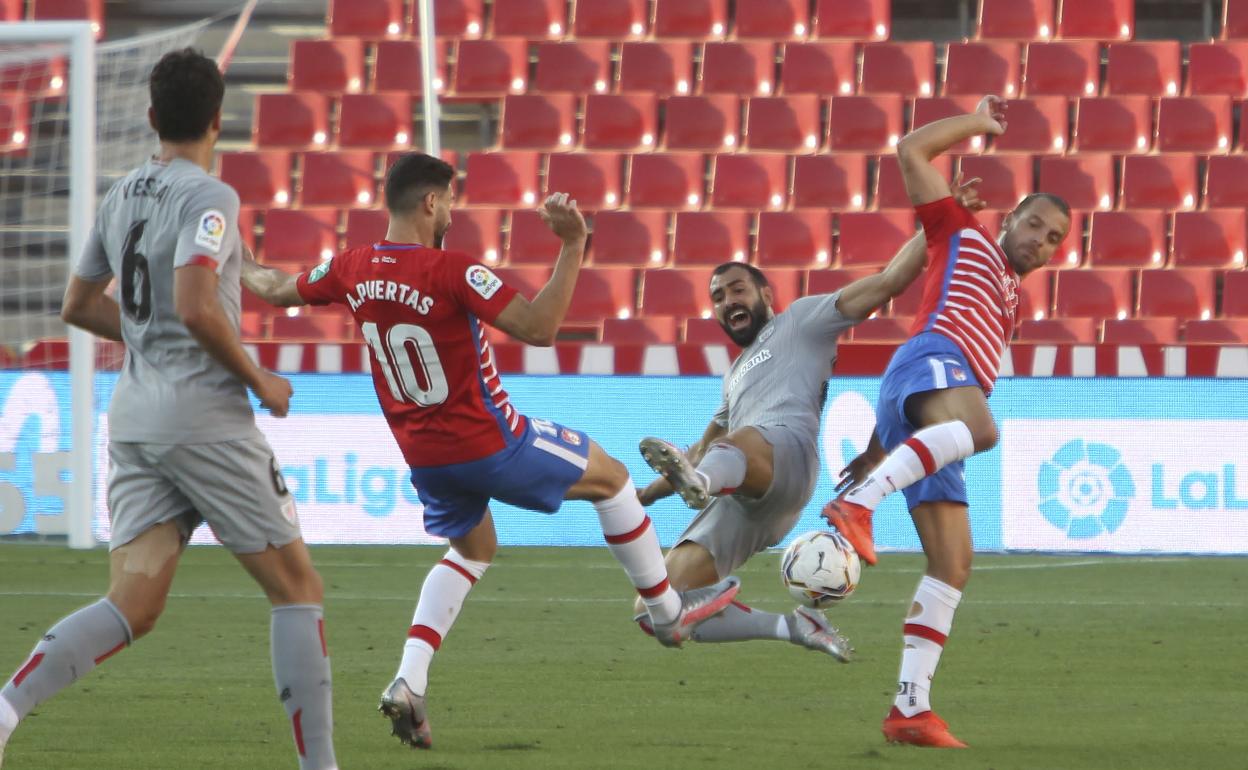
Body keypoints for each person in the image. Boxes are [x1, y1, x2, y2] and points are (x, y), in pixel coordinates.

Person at [238, 152, 741, 751]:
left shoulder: (351, 268)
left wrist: (231, 257)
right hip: (493, 442)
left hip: (423, 456)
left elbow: (271, 288)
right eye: (448, 200)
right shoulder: (454, 271)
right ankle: (665, 614)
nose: (451, 210)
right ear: (430, 202)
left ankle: (409, 680)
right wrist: (574, 245)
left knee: (474, 548)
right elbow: (540, 327)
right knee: (611, 479)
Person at [0, 50, 337, 770]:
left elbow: (77, 305)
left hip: (135, 420)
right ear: (220, 119)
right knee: (297, 587)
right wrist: (259, 379)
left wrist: (147, 335)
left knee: (133, 605)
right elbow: (193, 305)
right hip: (203, 420)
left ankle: (3, 711)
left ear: (153, 117)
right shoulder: (211, 197)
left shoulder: (120, 193)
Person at [632, 176, 987, 661]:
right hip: (738, 490)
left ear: (765, 294)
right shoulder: (733, 376)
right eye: (718, 297)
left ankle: (705, 482)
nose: (728, 301)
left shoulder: (802, 319)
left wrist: (937, 227)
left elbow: (887, 283)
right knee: (658, 611)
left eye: (738, 289)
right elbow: (698, 450)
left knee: (734, 447)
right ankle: (795, 628)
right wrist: (642, 495)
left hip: (785, 454)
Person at [821, 95, 1072, 748]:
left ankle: (910, 706)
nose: (1040, 243)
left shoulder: (1009, 297)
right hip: (933, 361)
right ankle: (857, 507)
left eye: (1053, 240)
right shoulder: (961, 233)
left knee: (954, 562)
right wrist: (979, 125)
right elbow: (910, 150)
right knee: (985, 428)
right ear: (1008, 218)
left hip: (933, 410)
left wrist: (881, 446)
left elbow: (922, 417)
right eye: (1034, 226)